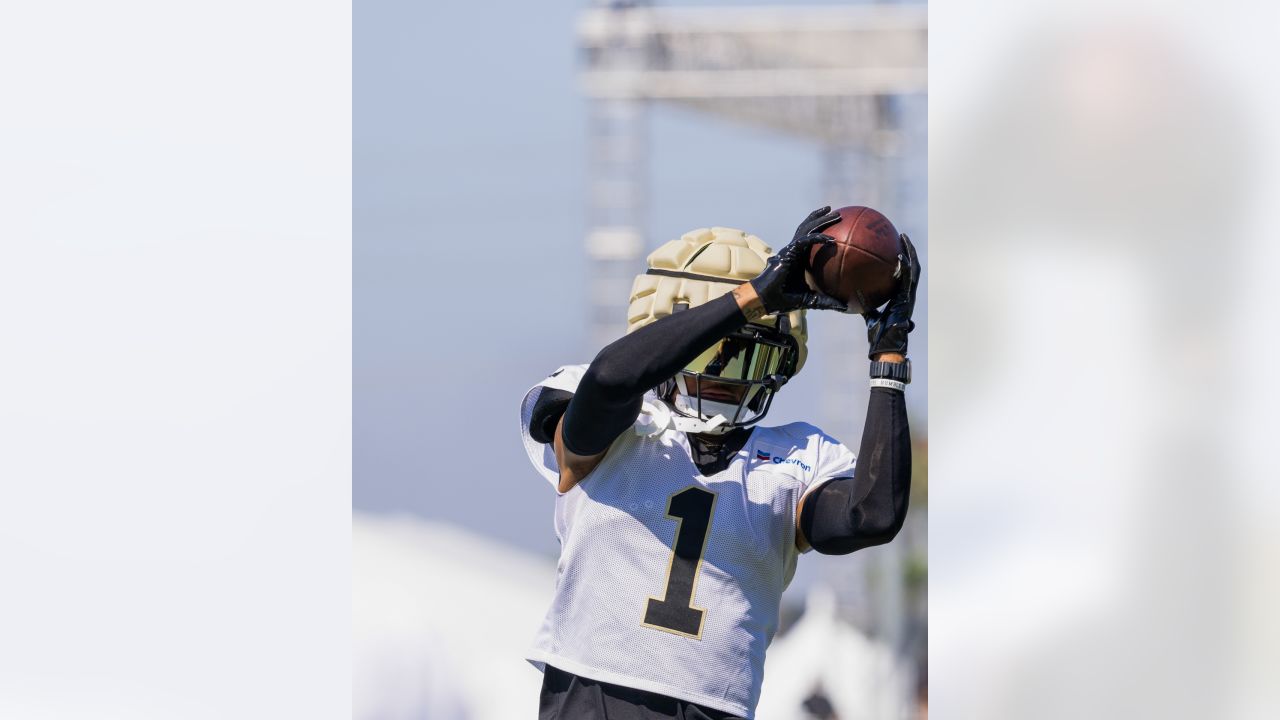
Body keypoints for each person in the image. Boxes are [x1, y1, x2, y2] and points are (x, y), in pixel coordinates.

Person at [517, 207, 920, 720]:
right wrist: (754, 297)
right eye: (714, 352)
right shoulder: (617, 419)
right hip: (597, 694)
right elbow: (613, 379)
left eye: (749, 357)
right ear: (672, 338)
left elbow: (873, 515)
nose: (729, 376)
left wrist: (889, 360)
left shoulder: (798, 457)